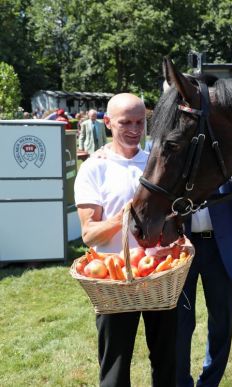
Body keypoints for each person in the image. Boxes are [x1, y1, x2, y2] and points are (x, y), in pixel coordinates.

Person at [74, 93, 176, 386]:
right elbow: (89, 233)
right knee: (115, 367)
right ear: (107, 123)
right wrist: (123, 219)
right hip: (114, 280)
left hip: (159, 277)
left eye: (140, 122)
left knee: (167, 361)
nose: (134, 129)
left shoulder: (157, 164)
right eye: (125, 122)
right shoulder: (95, 167)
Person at [175, 166, 232, 387]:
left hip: (222, 248)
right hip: (182, 246)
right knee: (179, 323)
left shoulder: (226, 143)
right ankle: (181, 382)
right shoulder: (179, 144)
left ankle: (209, 383)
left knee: (221, 322)